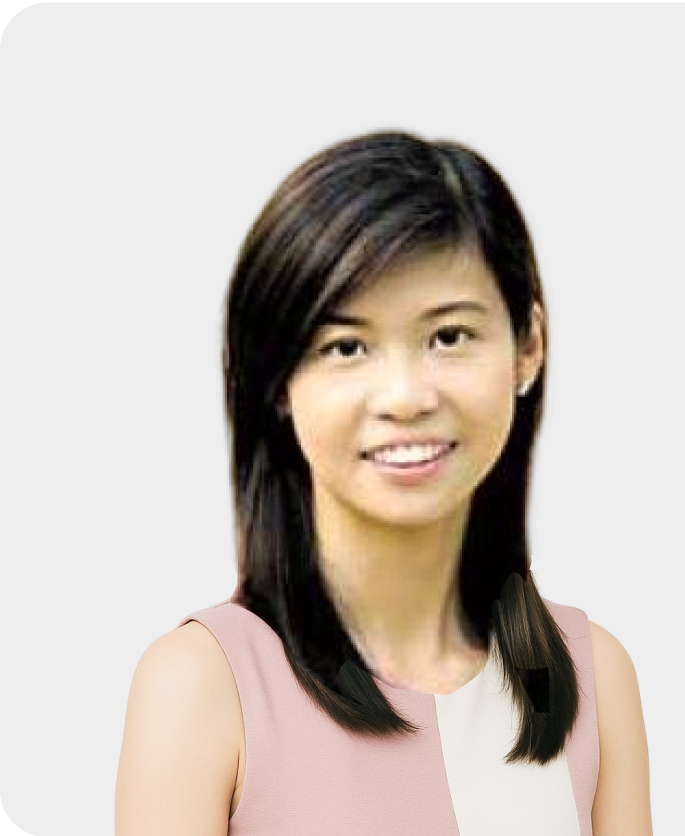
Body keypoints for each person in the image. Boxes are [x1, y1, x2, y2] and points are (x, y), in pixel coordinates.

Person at [115, 130, 653, 835]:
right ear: (278, 381)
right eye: (346, 347)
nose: (405, 397)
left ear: (528, 345)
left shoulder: (592, 678)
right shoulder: (202, 686)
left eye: (449, 337)